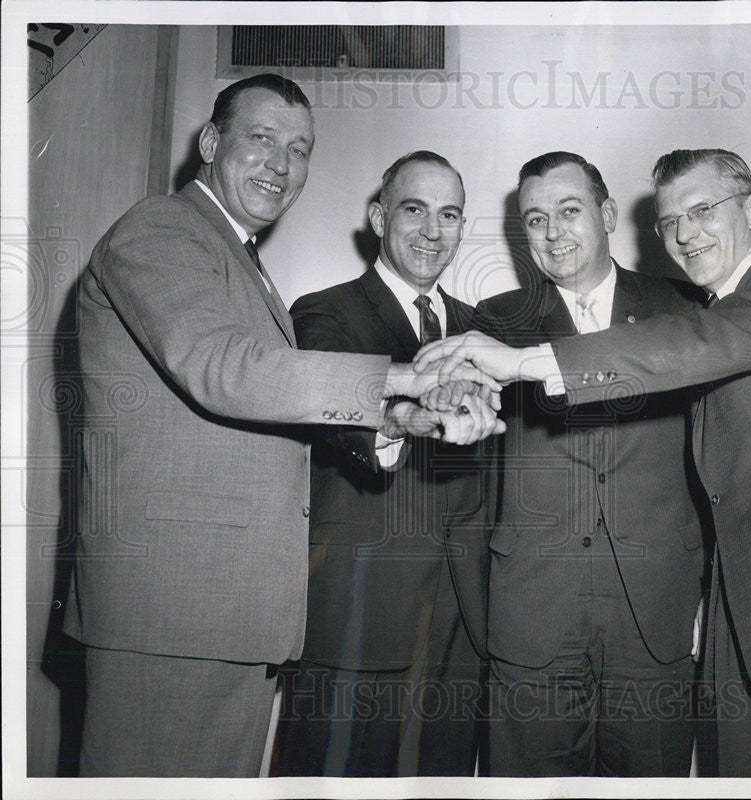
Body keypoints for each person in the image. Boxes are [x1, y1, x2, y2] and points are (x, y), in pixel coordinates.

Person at [414, 148, 751, 778]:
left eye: (703, 210)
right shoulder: (715, 314)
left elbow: (691, 346)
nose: (685, 232)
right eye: (670, 222)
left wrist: (526, 361)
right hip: (743, 629)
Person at [66, 75, 498, 777]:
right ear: (210, 142)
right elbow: (225, 367)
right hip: (173, 609)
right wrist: (406, 378)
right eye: (261, 139)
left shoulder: (236, 256)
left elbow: (268, 391)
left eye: (299, 149)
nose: (281, 163)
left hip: (225, 610)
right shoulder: (161, 228)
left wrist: (402, 415)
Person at [469, 152, 707, 776]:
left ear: (604, 215)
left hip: (653, 606)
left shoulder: (683, 309)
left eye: (569, 212)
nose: (552, 233)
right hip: (532, 609)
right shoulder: (494, 324)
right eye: (536, 218)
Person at [272, 151, 499, 777]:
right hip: (359, 605)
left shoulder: (483, 332)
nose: (433, 230)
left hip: (463, 614)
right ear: (378, 216)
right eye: (415, 210)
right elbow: (328, 408)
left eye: (449, 214)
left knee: (442, 779)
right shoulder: (324, 312)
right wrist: (400, 418)